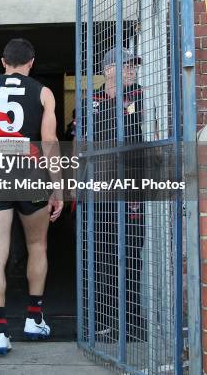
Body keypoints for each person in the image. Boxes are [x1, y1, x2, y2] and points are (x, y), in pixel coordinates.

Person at [0, 38, 63, 356]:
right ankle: (34, 319)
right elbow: (48, 140)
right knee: (38, 245)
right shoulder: (43, 92)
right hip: (31, 170)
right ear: (31, 63)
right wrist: (58, 187)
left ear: (3, 61)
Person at [80, 47, 145, 342]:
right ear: (107, 70)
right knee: (102, 257)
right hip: (99, 191)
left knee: (131, 254)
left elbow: (135, 135)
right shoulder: (89, 102)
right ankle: (106, 320)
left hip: (132, 189)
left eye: (133, 65)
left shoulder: (142, 96)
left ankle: (131, 322)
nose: (131, 69)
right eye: (125, 65)